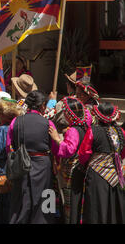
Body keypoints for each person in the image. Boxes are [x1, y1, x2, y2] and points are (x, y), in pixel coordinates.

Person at [6, 90, 58, 224]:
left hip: (21, 166)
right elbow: (56, 149)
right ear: (42, 106)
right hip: (43, 167)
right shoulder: (49, 124)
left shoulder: (15, 122)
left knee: (21, 202)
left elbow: (8, 146)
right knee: (45, 201)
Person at [77, 102, 125, 223]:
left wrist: (83, 164)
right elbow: (122, 154)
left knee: (96, 207)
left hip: (97, 175)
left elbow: (84, 153)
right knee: (114, 206)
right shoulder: (121, 132)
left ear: (98, 116)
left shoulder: (93, 131)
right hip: (116, 174)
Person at [48, 96, 92, 224]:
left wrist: (56, 138)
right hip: (81, 168)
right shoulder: (85, 128)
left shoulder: (73, 131)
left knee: (69, 202)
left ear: (68, 114)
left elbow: (69, 149)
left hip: (71, 171)